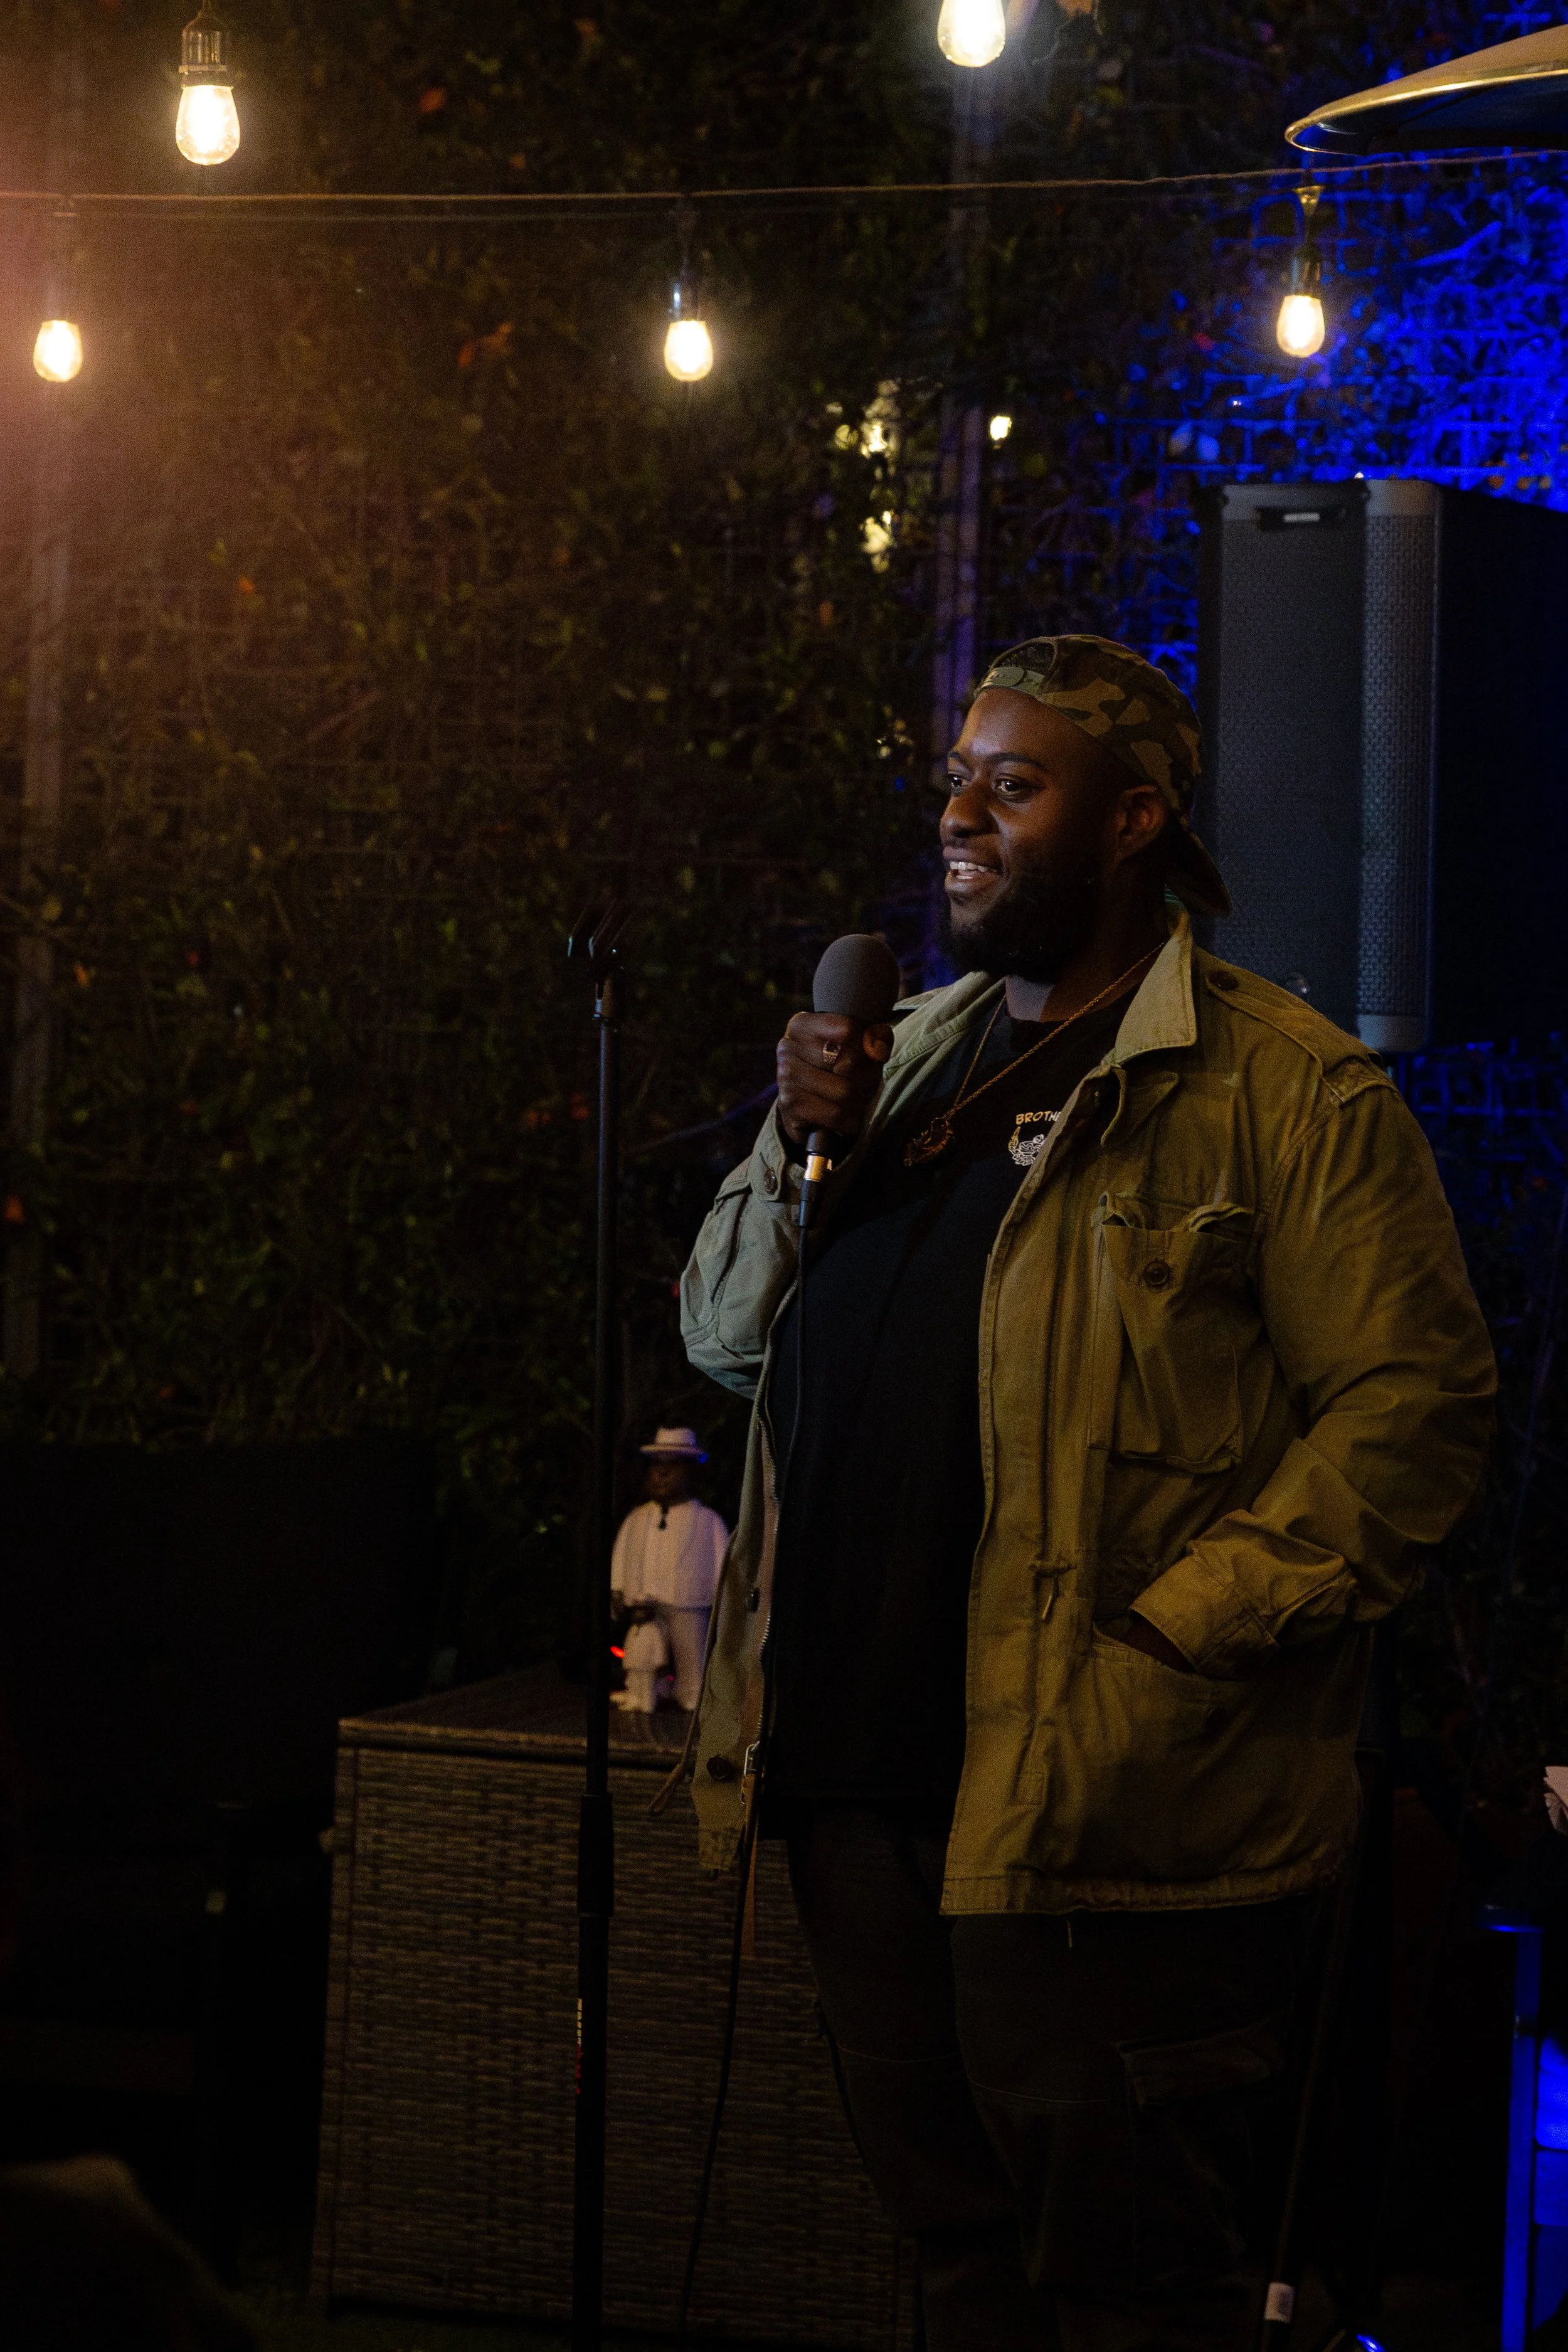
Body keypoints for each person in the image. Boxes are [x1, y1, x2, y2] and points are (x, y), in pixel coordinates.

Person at [675, 635, 1496, 2351]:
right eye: (957, 776)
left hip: (1099, 1816)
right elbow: (726, 1337)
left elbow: (1408, 1416)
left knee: (1129, 2293)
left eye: (1012, 781)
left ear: (1132, 818)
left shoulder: (1287, 1092)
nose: (959, 812)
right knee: (957, 2264)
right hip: (855, 1787)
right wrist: (788, 1131)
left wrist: (1167, 1638)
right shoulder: (894, 1064)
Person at [611, 1427, 728, 1712]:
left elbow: (724, 1562)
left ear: (691, 1472)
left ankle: (693, 1694)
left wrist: (724, 1598)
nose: (662, 1474)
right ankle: (643, 1692)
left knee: (691, 1655)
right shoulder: (637, 1518)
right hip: (645, 1602)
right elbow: (622, 1553)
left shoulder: (708, 1521)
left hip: (690, 1601)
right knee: (643, 1654)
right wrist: (618, 1589)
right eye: (656, 1466)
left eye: (673, 1466)